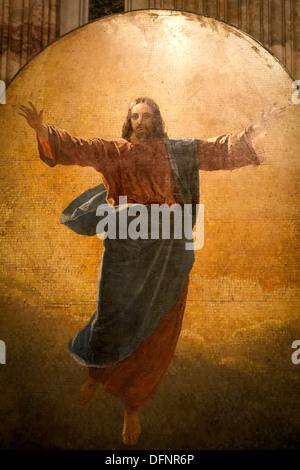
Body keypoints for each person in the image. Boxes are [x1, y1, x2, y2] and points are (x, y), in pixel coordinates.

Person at [19, 98, 285, 445]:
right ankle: (96, 373)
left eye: (147, 116)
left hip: (168, 248)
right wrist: (43, 131)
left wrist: (257, 130)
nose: (140, 121)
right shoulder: (114, 151)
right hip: (126, 242)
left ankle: (132, 404)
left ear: (157, 120)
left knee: (160, 327)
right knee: (111, 315)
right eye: (135, 115)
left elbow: (220, 150)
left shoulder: (178, 151)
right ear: (128, 122)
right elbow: (76, 148)